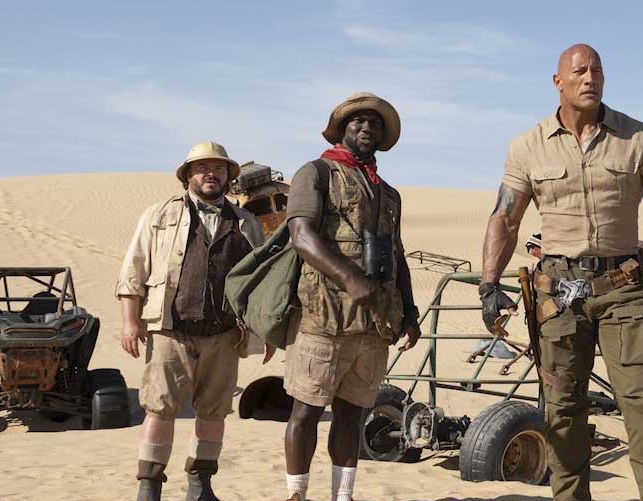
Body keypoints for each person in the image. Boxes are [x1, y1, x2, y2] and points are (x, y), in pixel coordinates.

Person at [479, 44, 643, 501]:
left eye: (597, 70)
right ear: (557, 82)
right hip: (558, 296)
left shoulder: (640, 139)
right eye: (579, 71)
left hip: (624, 290)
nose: (590, 78)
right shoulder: (527, 146)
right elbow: (505, 218)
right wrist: (488, 284)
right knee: (562, 413)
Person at [281, 92, 421, 501]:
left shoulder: (388, 194)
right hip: (323, 318)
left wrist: (409, 312)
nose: (366, 128)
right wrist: (350, 278)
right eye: (358, 121)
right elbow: (301, 235)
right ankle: (296, 494)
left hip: (374, 324)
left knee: (352, 415)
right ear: (342, 128)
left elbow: (397, 255)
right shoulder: (316, 173)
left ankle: (343, 496)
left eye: (375, 123)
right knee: (306, 411)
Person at [116, 140, 270, 501]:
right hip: (171, 330)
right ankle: (149, 486)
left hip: (225, 333)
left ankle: (201, 486)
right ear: (187, 175)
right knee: (160, 408)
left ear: (228, 176)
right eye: (202, 168)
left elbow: (262, 283)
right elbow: (133, 270)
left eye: (218, 168)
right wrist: (130, 322)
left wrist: (267, 331)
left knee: (213, 412)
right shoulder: (158, 215)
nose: (210, 174)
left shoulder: (246, 223)